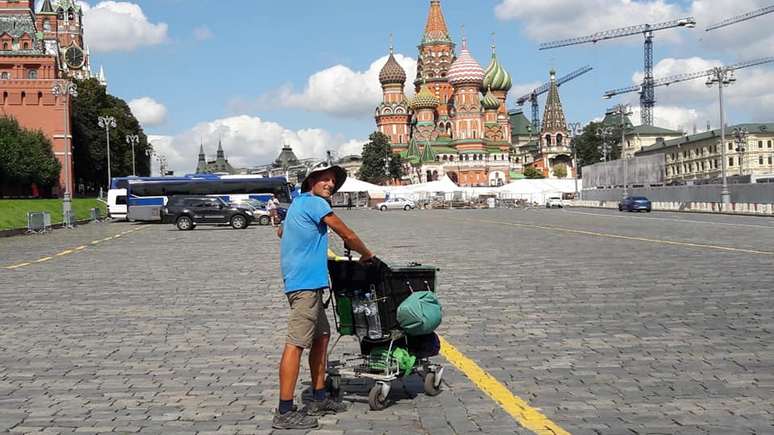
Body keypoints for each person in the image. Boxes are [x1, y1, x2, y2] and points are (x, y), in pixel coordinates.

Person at [273, 162, 374, 430]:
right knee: (295, 343)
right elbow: (346, 232)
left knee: (322, 336)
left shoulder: (298, 204)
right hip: (304, 286)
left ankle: (319, 396)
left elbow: (281, 231)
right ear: (311, 183)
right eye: (324, 179)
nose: (330, 184)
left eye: (332, 180)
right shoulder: (317, 204)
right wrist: (367, 254)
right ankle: (284, 411)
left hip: (305, 283)